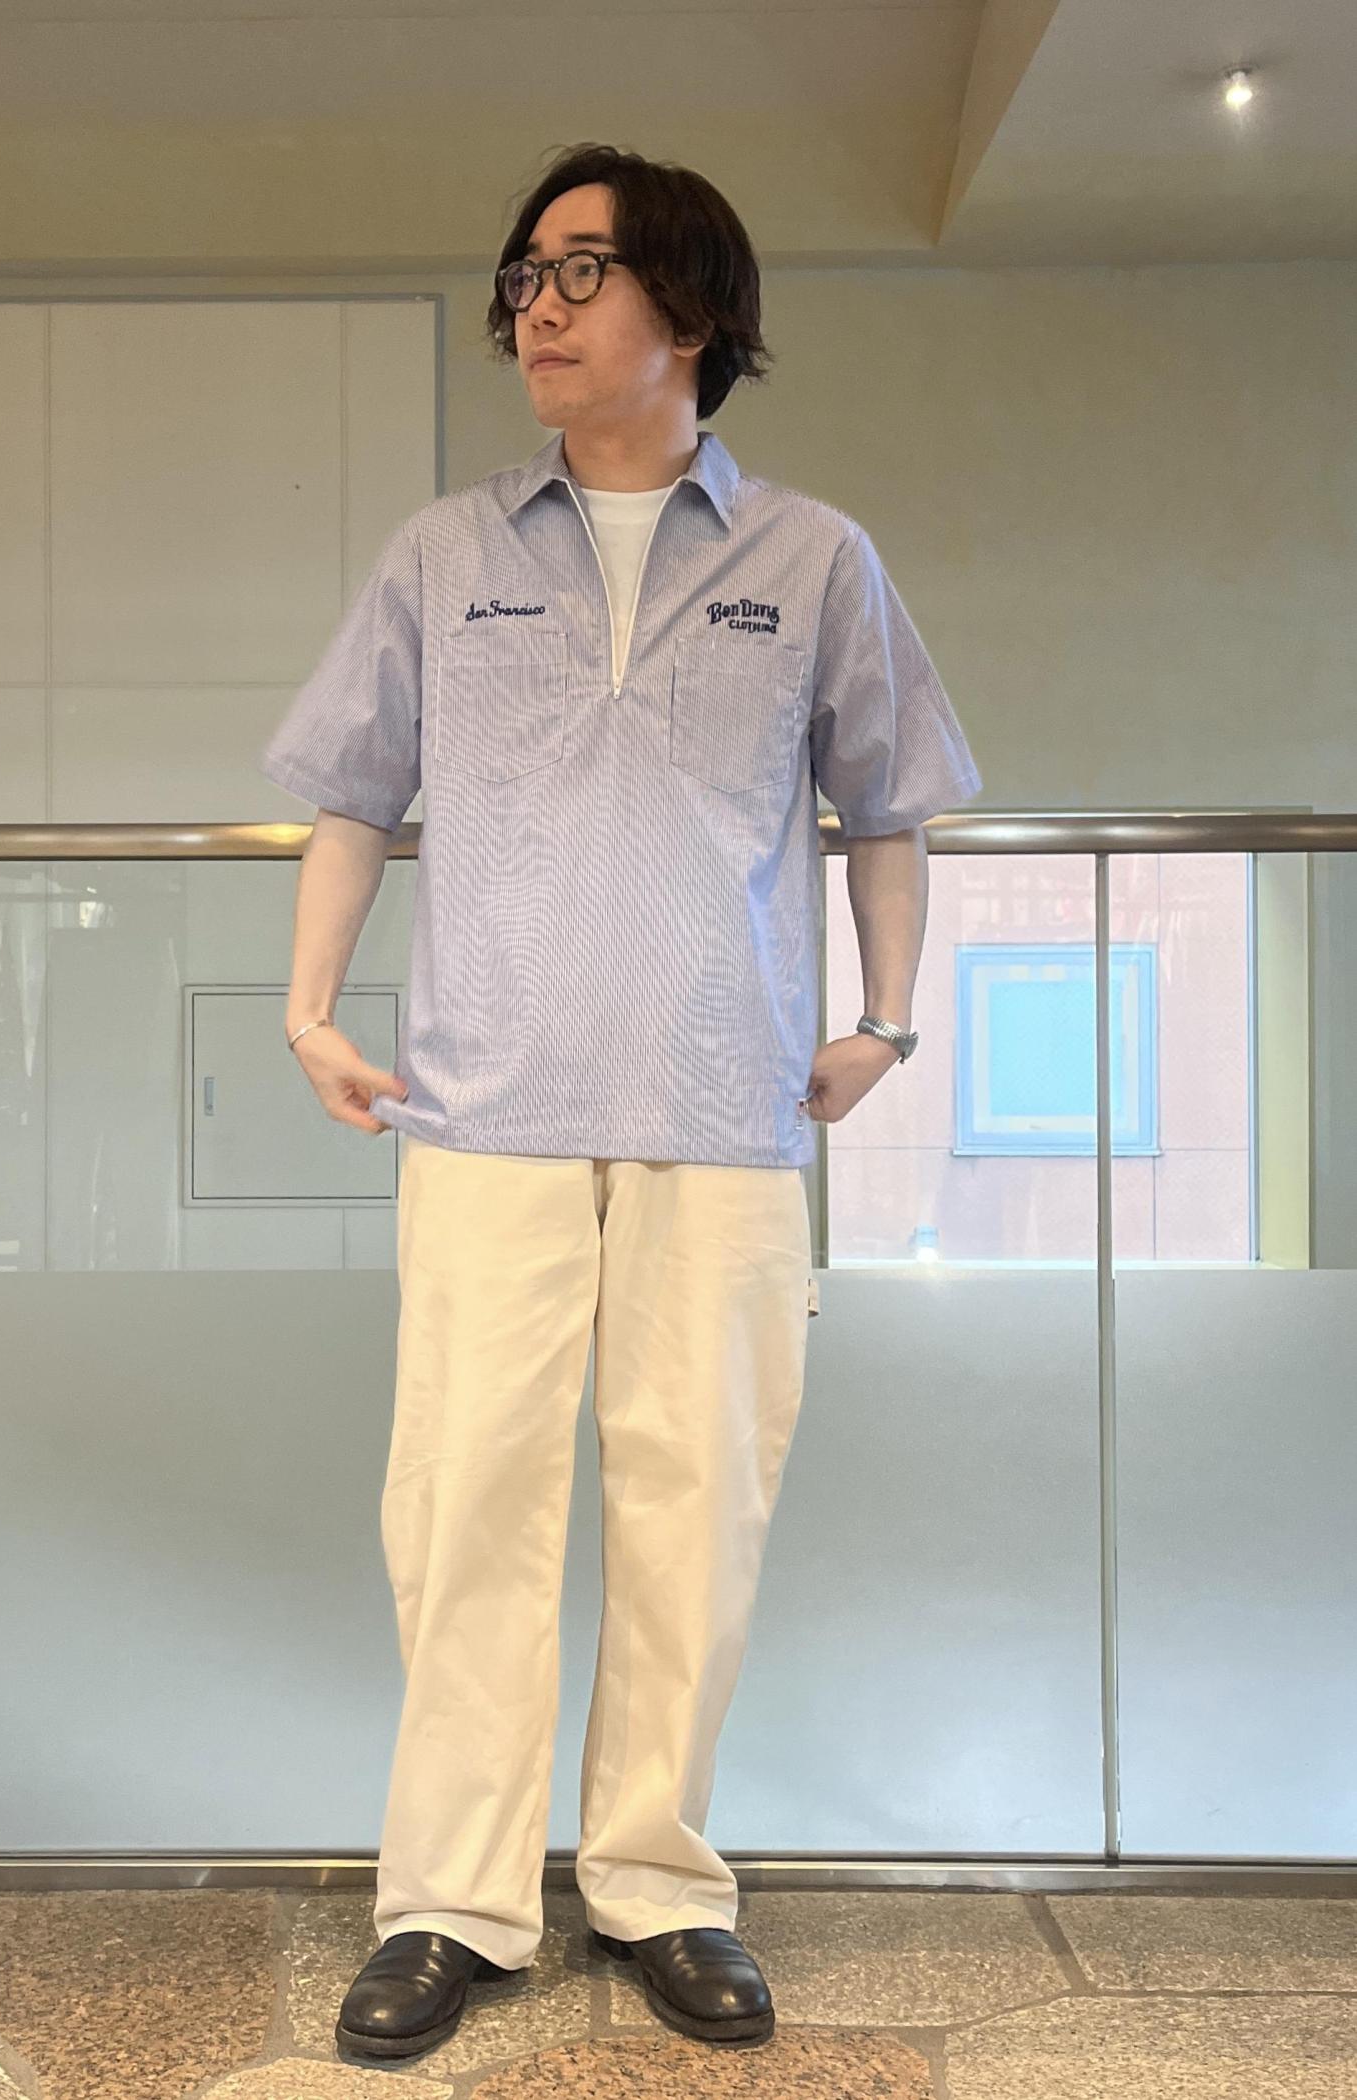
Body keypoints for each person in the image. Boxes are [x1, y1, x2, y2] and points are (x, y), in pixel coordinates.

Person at [260, 142, 983, 2064]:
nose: (537, 305)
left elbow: (889, 808)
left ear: (695, 307)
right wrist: (310, 1008)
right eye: (523, 274)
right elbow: (353, 796)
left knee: (695, 1515)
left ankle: (660, 1882)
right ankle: (452, 1897)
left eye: (580, 270)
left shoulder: (813, 558)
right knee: (464, 1510)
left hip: (724, 1113)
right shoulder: (444, 554)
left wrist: (888, 1022)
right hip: (482, 1108)